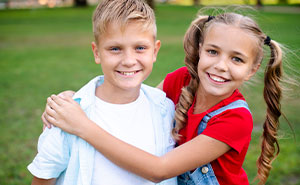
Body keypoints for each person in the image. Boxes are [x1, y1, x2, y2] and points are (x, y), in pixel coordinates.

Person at [43, 11, 285, 185]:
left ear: (253, 69)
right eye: (213, 52)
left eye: (237, 59)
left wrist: (83, 126)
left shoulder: (235, 118)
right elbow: (135, 98)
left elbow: (158, 171)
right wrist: (75, 101)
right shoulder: (182, 79)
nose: (221, 66)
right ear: (200, 50)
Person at [27, 0, 178, 184]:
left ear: (155, 51)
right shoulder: (67, 114)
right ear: (97, 52)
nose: (129, 60)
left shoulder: (164, 109)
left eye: (140, 48)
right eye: (115, 49)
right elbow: (43, 179)